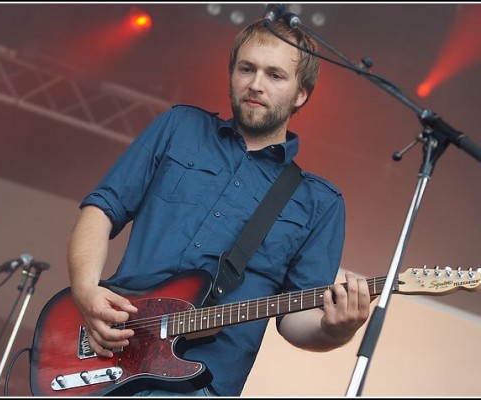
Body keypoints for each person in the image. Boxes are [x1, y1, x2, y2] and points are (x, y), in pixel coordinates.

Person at [66, 18, 371, 397]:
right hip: (108, 357)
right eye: (247, 69)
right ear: (232, 74)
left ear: (301, 94)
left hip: (203, 385)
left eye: (275, 75)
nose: (256, 84)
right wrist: (85, 290)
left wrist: (336, 329)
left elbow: (295, 319)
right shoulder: (179, 127)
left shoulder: (320, 203)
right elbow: (102, 208)